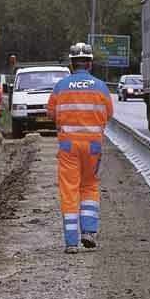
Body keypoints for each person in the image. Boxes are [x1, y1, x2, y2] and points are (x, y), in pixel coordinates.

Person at [46, 42, 114, 254]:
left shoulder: (61, 86)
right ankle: (89, 233)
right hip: (93, 146)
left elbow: (50, 113)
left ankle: (71, 243)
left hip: (68, 147)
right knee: (89, 187)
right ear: (90, 64)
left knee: (69, 190)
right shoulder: (101, 86)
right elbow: (109, 113)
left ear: (72, 64)